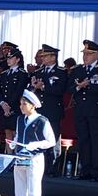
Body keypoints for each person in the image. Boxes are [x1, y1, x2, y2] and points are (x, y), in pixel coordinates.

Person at [8, 90, 56, 196]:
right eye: (21, 103)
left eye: (25, 104)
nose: (22, 106)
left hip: (35, 158)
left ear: (33, 105)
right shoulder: (19, 120)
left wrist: (35, 144)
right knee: (20, 189)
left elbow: (51, 141)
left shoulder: (42, 120)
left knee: (34, 190)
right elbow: (18, 135)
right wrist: (12, 144)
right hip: (20, 157)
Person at [70, 40, 98, 182]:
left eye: (89, 54)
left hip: (96, 110)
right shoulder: (78, 69)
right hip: (81, 110)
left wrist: (87, 86)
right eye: (84, 54)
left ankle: (96, 171)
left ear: (96, 54)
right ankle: (84, 169)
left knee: (96, 141)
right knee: (83, 140)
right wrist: (78, 87)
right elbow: (70, 88)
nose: (85, 57)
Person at [29, 44, 68, 176]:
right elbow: (31, 91)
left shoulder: (61, 72)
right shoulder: (39, 72)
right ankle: (42, 166)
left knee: (53, 139)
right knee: (40, 138)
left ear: (53, 57)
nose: (43, 58)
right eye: (42, 56)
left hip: (53, 110)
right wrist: (34, 87)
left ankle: (53, 168)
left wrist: (44, 87)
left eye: (45, 56)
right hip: (40, 111)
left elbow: (60, 90)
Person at [0, 48, 29, 149]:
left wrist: (9, 106)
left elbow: (19, 91)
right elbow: (0, 90)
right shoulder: (4, 74)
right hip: (5, 108)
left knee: (16, 133)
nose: (8, 60)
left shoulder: (22, 74)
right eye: (7, 58)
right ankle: (9, 158)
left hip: (16, 107)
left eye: (11, 58)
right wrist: (3, 104)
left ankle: (16, 157)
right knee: (8, 134)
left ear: (18, 59)